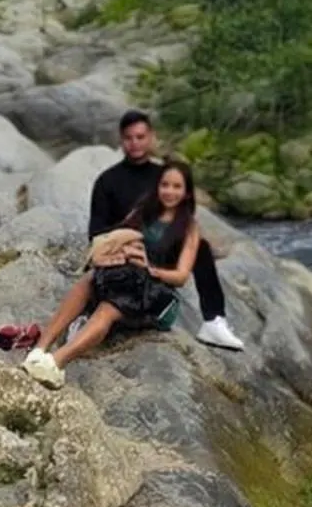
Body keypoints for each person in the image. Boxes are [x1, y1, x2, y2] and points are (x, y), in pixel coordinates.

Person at [24, 159, 203, 388]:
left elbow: (181, 276)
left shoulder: (189, 227)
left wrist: (150, 269)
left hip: (155, 291)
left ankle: (56, 362)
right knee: (88, 281)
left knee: (109, 308)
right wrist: (118, 252)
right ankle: (40, 349)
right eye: (165, 185)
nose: (169, 191)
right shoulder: (143, 211)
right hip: (127, 275)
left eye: (177, 187)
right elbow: (113, 237)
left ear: (187, 193)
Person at [90, 110, 244, 351]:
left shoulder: (162, 176)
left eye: (141, 137)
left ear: (151, 137)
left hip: (162, 251)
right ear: (121, 139)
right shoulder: (107, 181)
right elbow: (97, 230)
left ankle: (214, 319)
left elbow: (180, 219)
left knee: (200, 246)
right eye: (129, 138)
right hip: (125, 248)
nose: (135, 143)